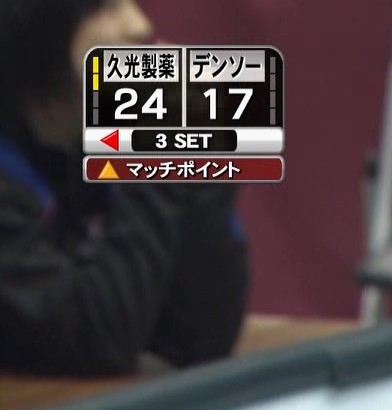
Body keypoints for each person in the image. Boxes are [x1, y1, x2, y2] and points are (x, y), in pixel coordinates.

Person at [0, 0, 249, 376]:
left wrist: (196, 160)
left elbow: (201, 339)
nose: (140, 25)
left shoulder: (92, 142)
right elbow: (97, 341)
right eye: (105, 7)